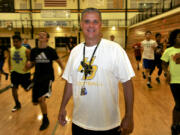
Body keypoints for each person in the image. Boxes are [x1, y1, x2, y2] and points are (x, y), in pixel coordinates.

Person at [58, 8, 134, 135]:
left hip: (108, 125)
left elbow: (127, 84)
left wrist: (129, 115)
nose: (91, 25)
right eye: (87, 21)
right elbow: (70, 83)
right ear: (81, 24)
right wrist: (62, 107)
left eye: (95, 21)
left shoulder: (115, 50)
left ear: (101, 25)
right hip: (79, 123)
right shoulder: (75, 52)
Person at [25, 31, 64, 131]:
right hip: (37, 77)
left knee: (41, 99)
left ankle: (45, 120)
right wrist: (28, 65)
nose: (41, 35)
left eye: (43, 35)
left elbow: (59, 61)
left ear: (47, 39)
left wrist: (64, 71)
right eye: (40, 34)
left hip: (48, 77)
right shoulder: (33, 51)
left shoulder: (51, 51)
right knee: (36, 102)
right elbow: (32, 63)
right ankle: (38, 95)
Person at [161, 29, 180, 135]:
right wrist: (166, 72)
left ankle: (178, 124)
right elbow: (163, 63)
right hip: (175, 81)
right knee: (178, 103)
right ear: (174, 38)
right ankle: (174, 125)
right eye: (179, 37)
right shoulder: (169, 50)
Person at [9, 35, 32, 112]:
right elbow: (9, 59)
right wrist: (10, 68)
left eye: (16, 42)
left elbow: (31, 61)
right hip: (14, 73)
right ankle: (17, 104)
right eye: (13, 42)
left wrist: (28, 66)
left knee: (26, 89)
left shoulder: (26, 50)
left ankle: (33, 83)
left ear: (20, 42)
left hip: (24, 74)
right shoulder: (11, 50)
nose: (15, 43)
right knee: (13, 88)